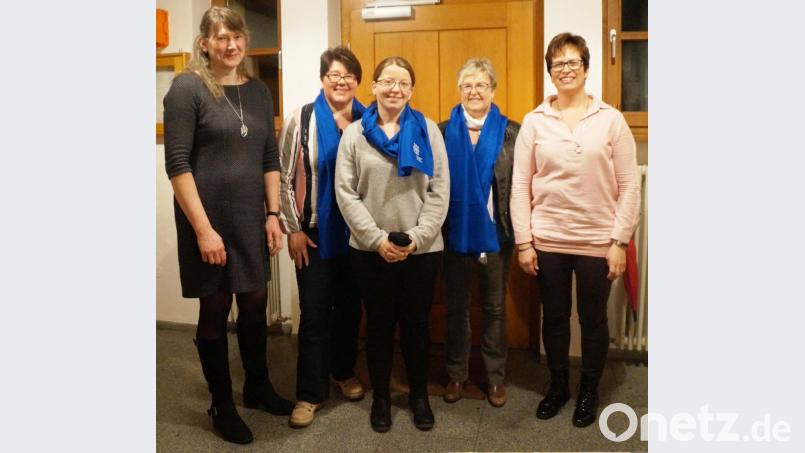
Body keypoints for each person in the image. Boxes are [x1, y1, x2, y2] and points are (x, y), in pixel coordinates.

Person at [163, 6, 293, 444]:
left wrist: (273, 214)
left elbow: (269, 157)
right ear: (205, 43)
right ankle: (221, 405)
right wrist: (203, 230)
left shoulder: (257, 92)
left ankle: (257, 386)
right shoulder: (188, 88)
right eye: (221, 37)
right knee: (216, 307)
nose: (231, 44)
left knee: (255, 301)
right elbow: (177, 164)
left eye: (237, 36)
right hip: (208, 219)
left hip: (250, 217)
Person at [510, 32, 641, 428]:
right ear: (550, 72)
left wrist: (619, 241)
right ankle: (558, 386)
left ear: (585, 68)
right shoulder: (535, 121)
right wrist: (524, 242)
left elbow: (629, 185)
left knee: (592, 318)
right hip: (548, 239)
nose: (565, 69)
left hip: (597, 241)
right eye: (558, 63)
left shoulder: (610, 119)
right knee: (553, 317)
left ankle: (589, 388)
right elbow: (520, 184)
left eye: (572, 62)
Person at [335, 57, 450, 433]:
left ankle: (419, 397)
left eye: (403, 83)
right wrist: (376, 239)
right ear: (374, 87)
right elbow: (345, 193)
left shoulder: (428, 131)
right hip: (370, 251)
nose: (395, 89)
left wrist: (417, 238)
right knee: (379, 326)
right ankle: (381, 398)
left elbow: (440, 190)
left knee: (417, 326)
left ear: (411, 90)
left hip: (422, 251)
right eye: (387, 81)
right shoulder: (355, 134)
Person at [277, 46, 366, 428]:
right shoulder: (301, 118)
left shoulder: (369, 120)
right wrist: (292, 229)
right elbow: (282, 176)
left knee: (349, 310)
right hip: (313, 233)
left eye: (348, 76)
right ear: (322, 79)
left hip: (358, 236)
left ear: (357, 81)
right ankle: (310, 393)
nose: (341, 82)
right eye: (334, 75)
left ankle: (342, 371)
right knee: (314, 313)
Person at [439, 58, 520, 408]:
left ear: (493, 91)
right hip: (453, 235)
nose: (474, 91)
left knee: (495, 308)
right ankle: (456, 375)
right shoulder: (441, 131)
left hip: (497, 234)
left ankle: (495, 378)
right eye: (468, 85)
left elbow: (522, 185)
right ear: (459, 90)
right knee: (456, 307)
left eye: (481, 85)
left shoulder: (513, 132)